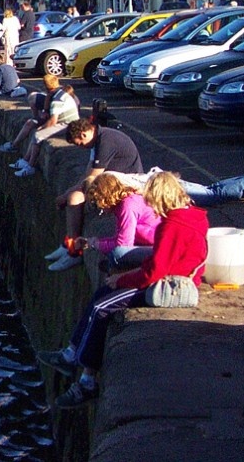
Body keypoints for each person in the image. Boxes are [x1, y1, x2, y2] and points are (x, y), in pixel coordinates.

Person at [38, 171, 209, 408]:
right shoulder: (191, 217)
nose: (149, 204)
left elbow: (154, 272)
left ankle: (86, 382)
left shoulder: (171, 226)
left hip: (169, 285)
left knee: (102, 308)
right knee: (101, 295)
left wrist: (122, 280)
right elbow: (160, 261)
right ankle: (70, 354)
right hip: (170, 276)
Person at [46, 173, 160, 271]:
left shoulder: (127, 207)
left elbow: (123, 246)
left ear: (105, 198)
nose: (100, 209)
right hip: (153, 240)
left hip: (158, 244)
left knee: (117, 254)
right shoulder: (125, 203)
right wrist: (91, 242)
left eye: (97, 203)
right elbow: (121, 238)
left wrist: (95, 244)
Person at [58, 118, 144, 240]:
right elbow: (88, 174)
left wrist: (66, 195)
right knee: (74, 195)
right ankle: (70, 242)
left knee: (74, 198)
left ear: (83, 134)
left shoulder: (106, 141)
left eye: (80, 144)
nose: (82, 147)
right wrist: (69, 191)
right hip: (114, 179)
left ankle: (73, 244)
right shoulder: (99, 138)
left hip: (127, 182)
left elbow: (92, 177)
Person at [7, 78, 81, 177]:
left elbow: (53, 121)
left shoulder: (57, 100)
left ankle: (30, 166)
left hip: (69, 125)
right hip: (66, 121)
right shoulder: (60, 93)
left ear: (47, 89)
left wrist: (42, 127)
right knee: (34, 128)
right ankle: (25, 160)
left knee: (38, 135)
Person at [106, 166, 244, 206]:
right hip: (162, 182)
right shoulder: (109, 178)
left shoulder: (111, 181)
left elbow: (138, 191)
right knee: (212, 190)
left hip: (165, 186)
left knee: (212, 195)